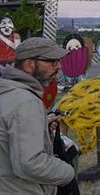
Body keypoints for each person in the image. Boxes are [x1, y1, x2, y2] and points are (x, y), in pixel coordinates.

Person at [0, 37, 76, 194]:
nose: (59, 67)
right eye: (52, 62)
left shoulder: (7, 91)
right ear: (29, 64)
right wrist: (68, 172)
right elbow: (30, 164)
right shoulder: (26, 102)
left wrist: (41, 128)